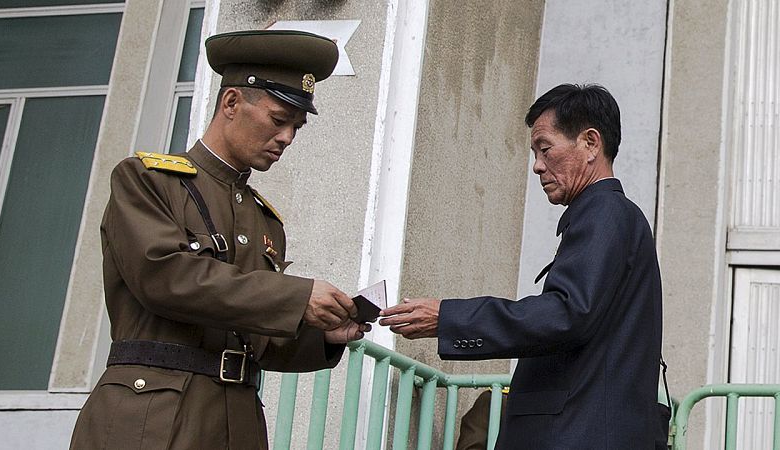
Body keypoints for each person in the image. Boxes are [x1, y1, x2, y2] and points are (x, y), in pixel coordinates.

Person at [70, 30, 370, 450]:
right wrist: (297, 297)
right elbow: (166, 278)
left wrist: (321, 335)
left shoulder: (265, 221)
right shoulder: (147, 180)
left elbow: (257, 342)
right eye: (278, 120)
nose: (287, 138)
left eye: (296, 127)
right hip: (151, 419)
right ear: (231, 103)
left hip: (236, 422)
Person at [380, 84, 664, 449]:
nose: (537, 166)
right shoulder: (612, 216)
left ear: (590, 143)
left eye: (545, 149)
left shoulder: (606, 212)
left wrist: (448, 318)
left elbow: (566, 314)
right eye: (535, 153)